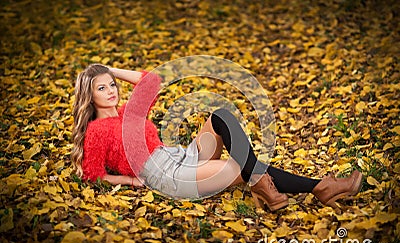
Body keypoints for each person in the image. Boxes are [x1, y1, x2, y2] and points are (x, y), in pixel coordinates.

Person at [71, 64, 363, 211]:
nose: (111, 90)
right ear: (89, 96)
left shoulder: (127, 113)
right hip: (164, 176)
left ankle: (271, 187)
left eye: (112, 85)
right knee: (237, 167)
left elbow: (152, 81)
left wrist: (110, 70)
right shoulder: (96, 131)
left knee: (221, 116)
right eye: (102, 88)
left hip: (178, 156)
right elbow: (92, 175)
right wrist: (132, 180)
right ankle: (317, 188)